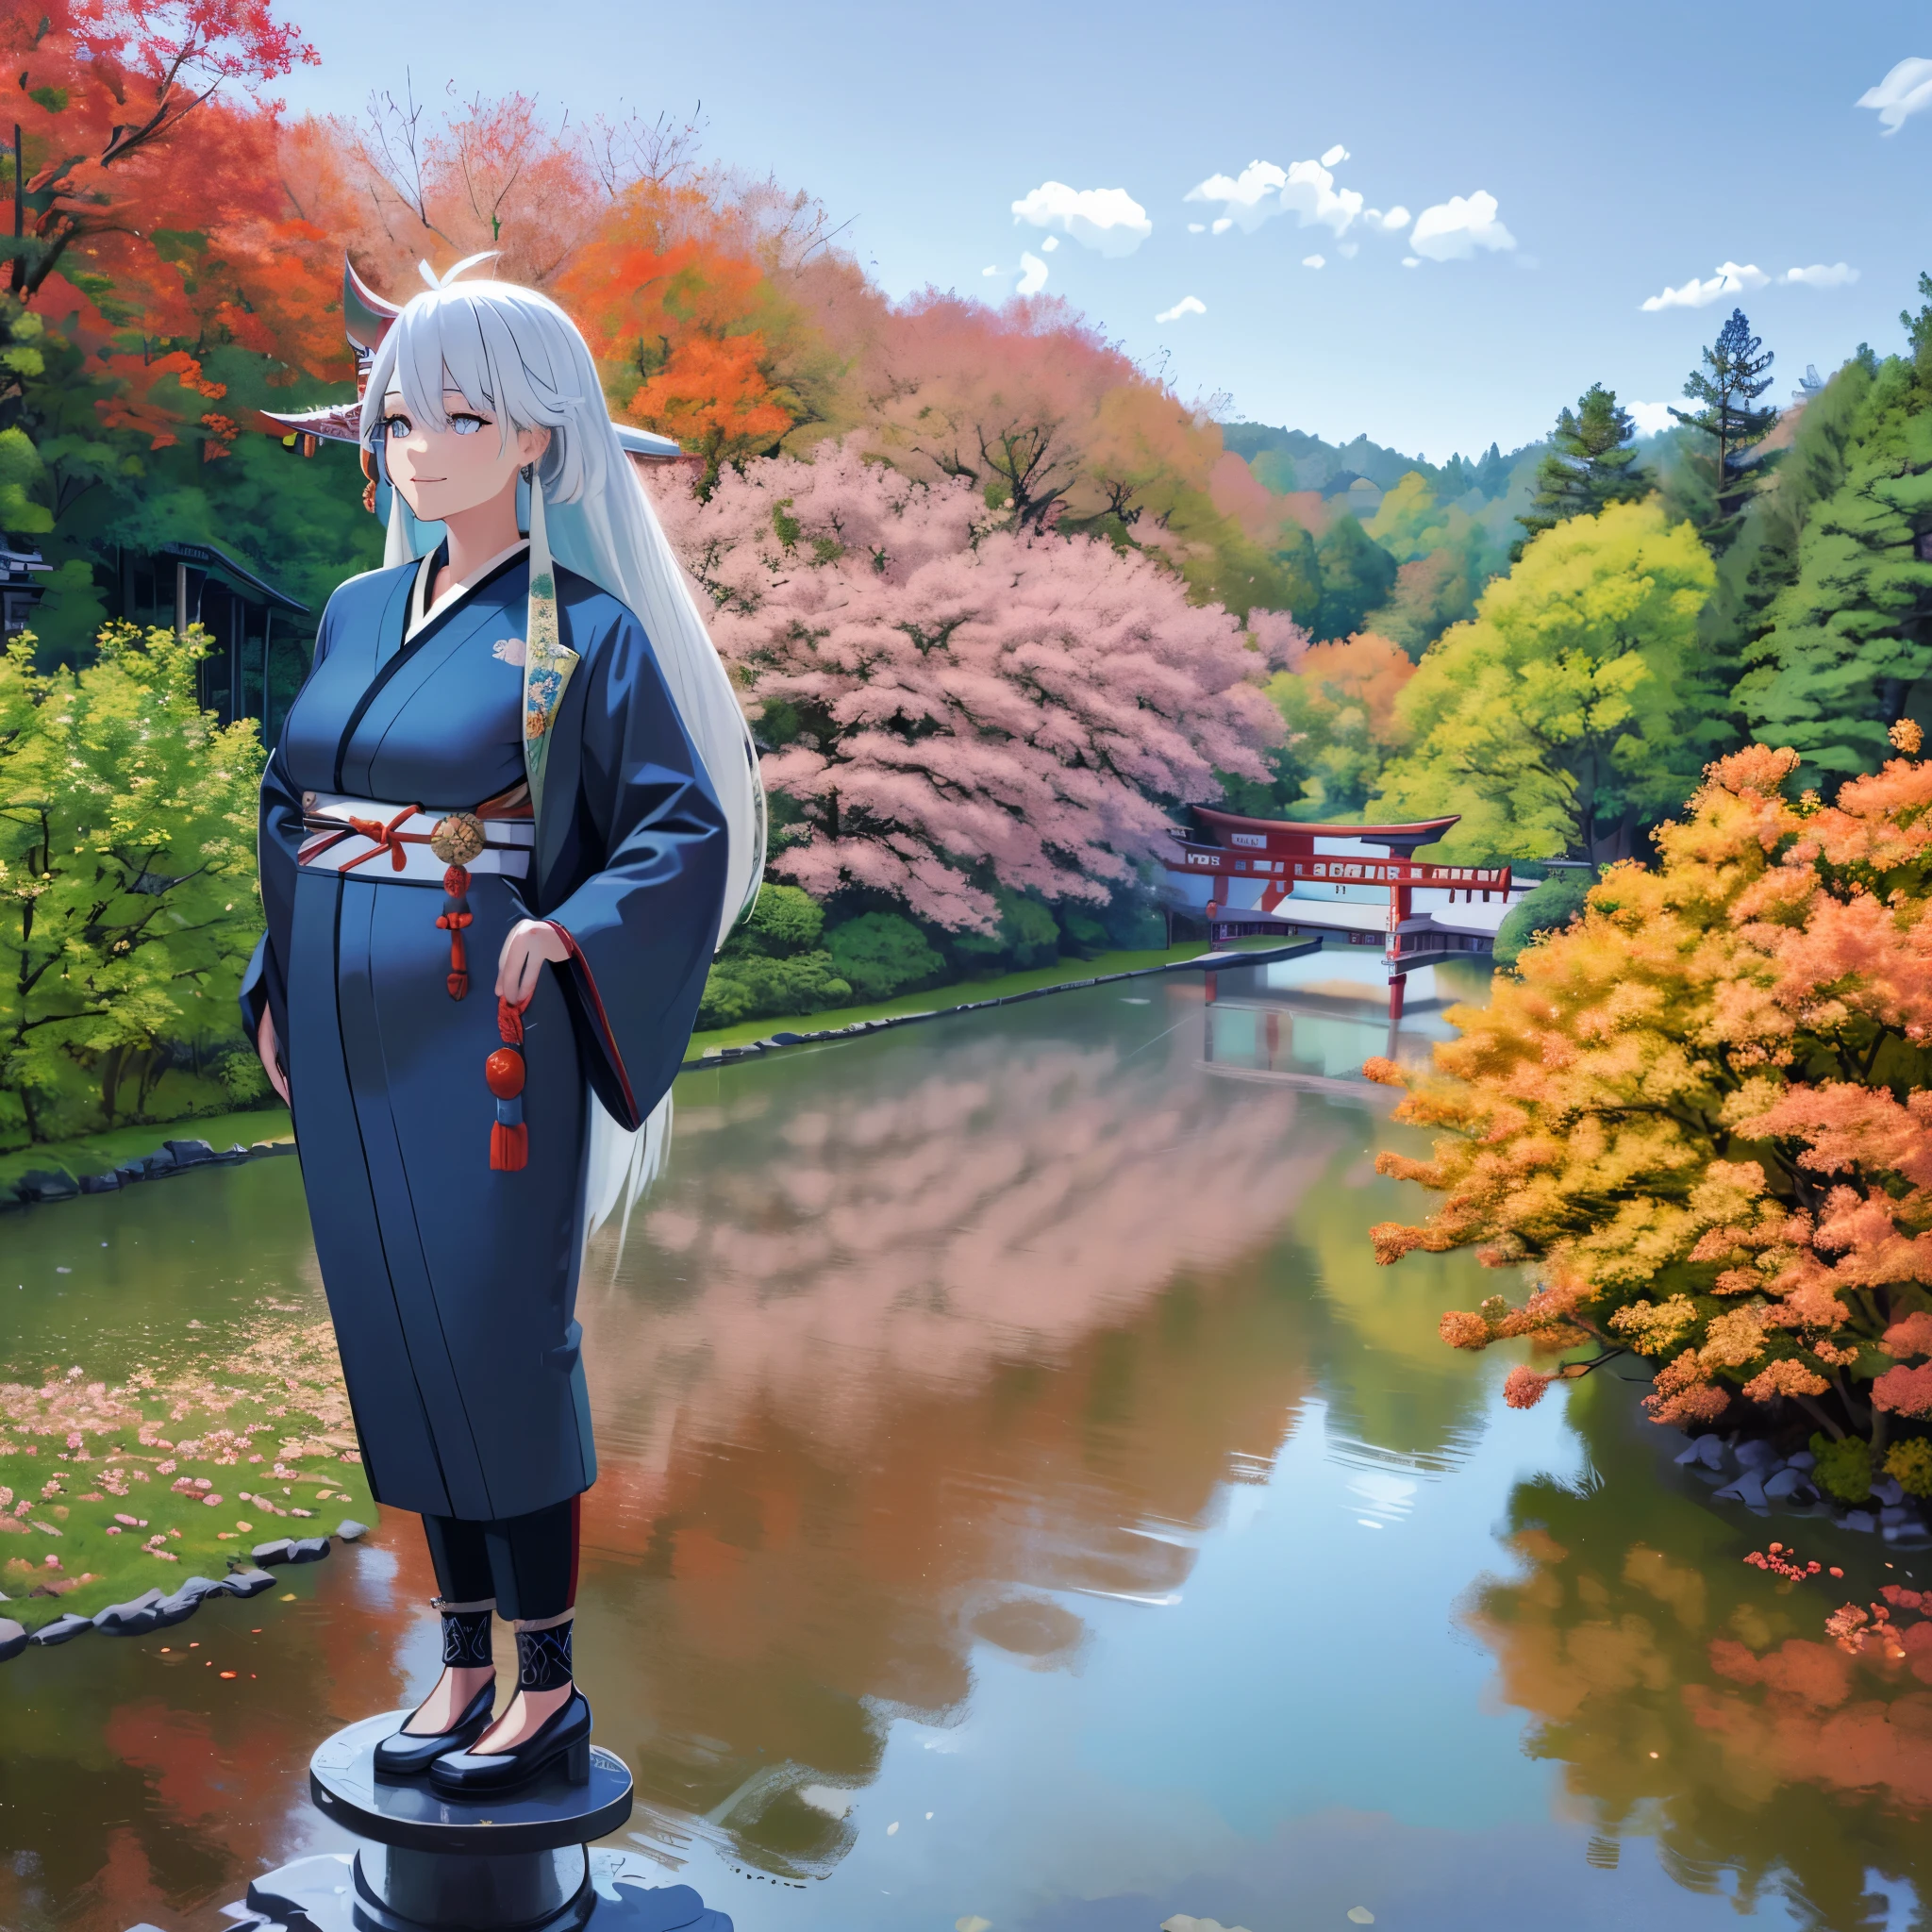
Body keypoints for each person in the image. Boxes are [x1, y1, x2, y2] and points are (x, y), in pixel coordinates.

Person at [242, 258, 763, 1795]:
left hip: (490, 1020)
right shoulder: (352, 610)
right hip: (343, 1023)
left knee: (497, 1339)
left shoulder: (581, 631)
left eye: (462, 415)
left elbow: (679, 832)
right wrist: (275, 980)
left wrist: (572, 931)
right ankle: (459, 1659)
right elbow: (290, 802)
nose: (421, 446)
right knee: (394, 1333)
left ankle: (546, 1685)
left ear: (538, 437)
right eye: (400, 416)